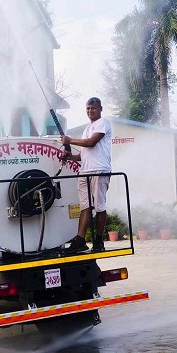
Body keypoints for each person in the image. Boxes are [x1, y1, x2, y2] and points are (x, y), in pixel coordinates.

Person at [60, 97, 112, 253]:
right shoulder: (87, 129)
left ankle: (99, 240)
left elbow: (91, 143)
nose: (90, 111)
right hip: (85, 171)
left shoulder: (103, 123)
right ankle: (80, 240)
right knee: (85, 207)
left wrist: (70, 140)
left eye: (93, 108)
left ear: (100, 109)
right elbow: (84, 154)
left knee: (99, 206)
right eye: (88, 108)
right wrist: (70, 157)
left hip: (99, 170)